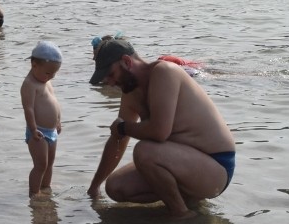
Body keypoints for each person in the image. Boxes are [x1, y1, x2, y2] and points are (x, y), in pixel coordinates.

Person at [87, 38, 235, 219]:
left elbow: (159, 132)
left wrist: (124, 128)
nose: (109, 83)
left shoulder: (165, 71)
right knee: (115, 187)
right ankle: (188, 202)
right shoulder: (130, 92)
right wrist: (94, 187)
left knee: (144, 151)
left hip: (216, 166)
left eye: (110, 74)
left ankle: (182, 214)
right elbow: (118, 138)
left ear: (127, 62)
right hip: (182, 163)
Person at [21, 41, 62, 198]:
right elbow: (28, 108)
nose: (51, 76)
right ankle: (34, 192)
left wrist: (58, 120)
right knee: (40, 165)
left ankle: (46, 187)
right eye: (48, 73)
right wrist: (33, 129)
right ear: (34, 65)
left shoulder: (46, 81)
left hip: (52, 131)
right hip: (38, 131)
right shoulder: (29, 84)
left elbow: (54, 101)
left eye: (54, 73)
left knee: (50, 164)